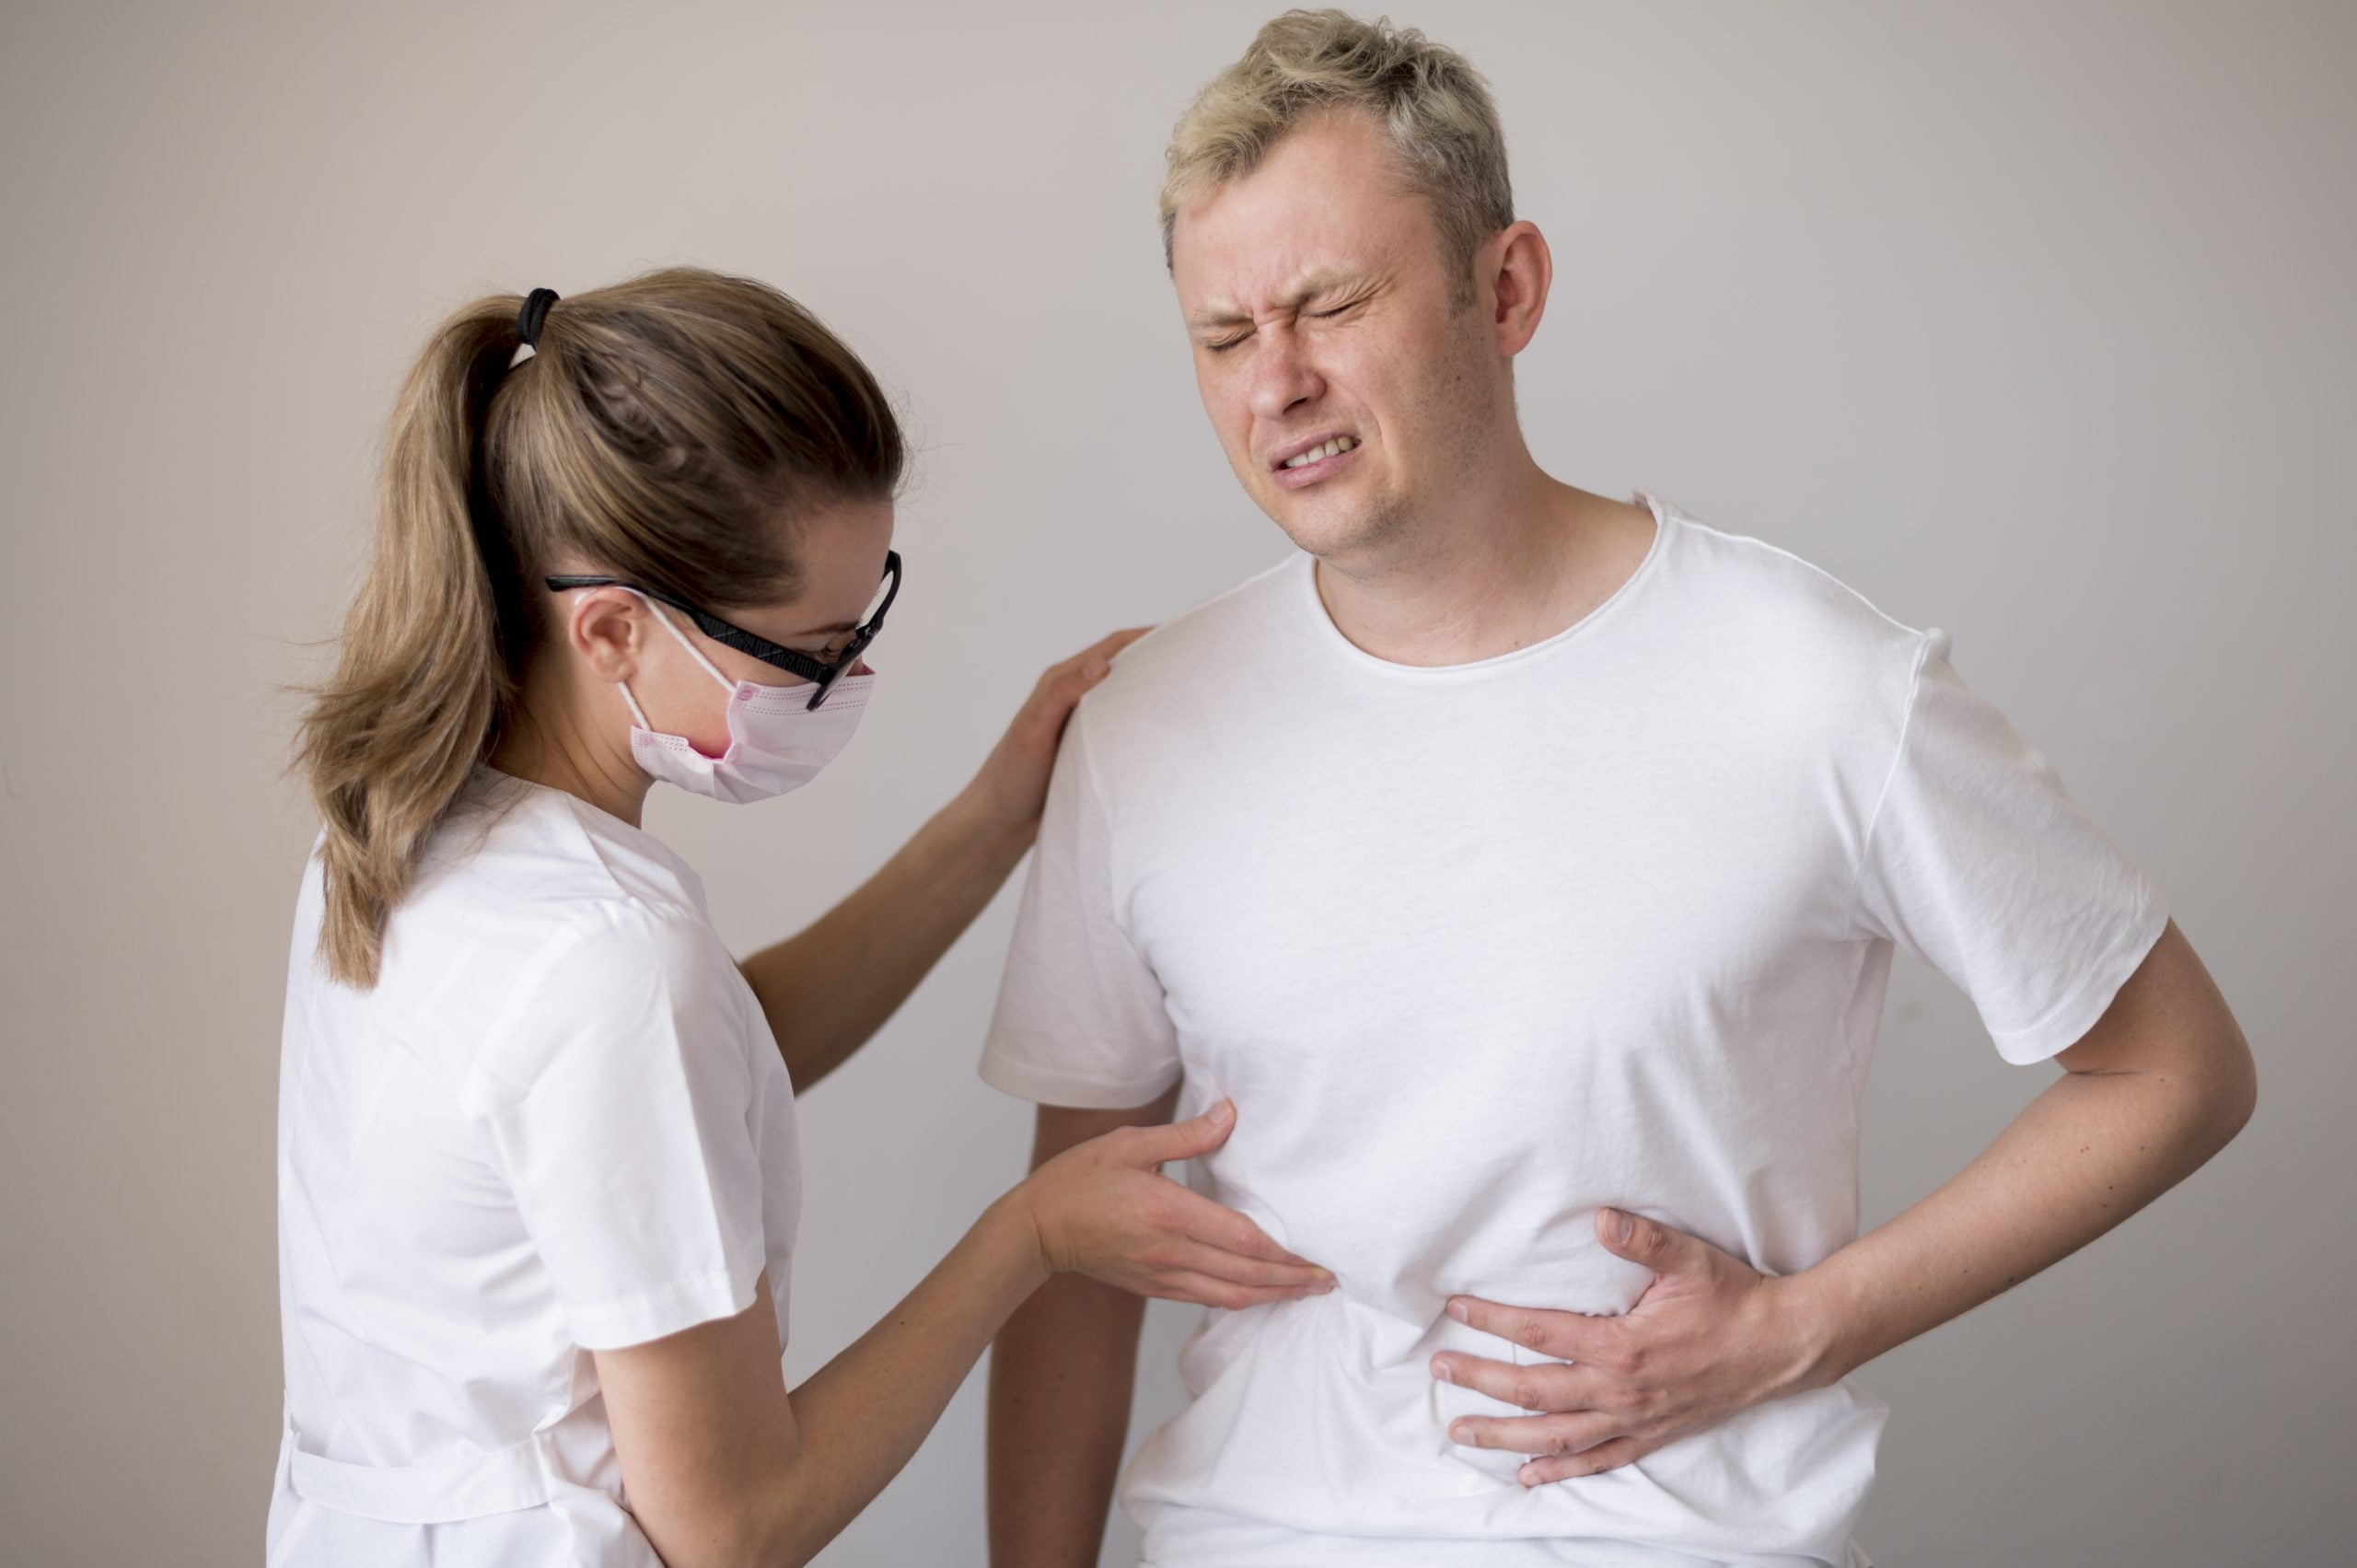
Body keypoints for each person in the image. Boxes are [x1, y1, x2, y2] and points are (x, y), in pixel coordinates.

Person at [980, 12, 2257, 1568]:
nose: (1280, 385)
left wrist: (1803, 1328)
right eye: (1224, 336)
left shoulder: (1812, 683)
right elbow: (1075, 1245)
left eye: (1331, 305)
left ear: (1503, 289)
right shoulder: (1147, 727)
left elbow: (2176, 1066)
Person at [271, 267, 1334, 1568]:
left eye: (862, 620)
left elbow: (694, 1068)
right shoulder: (605, 964)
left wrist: (991, 820)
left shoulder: (397, 837)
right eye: (812, 651)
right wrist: (1030, 1236)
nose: (849, 680)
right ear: (612, 630)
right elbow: (734, 1527)